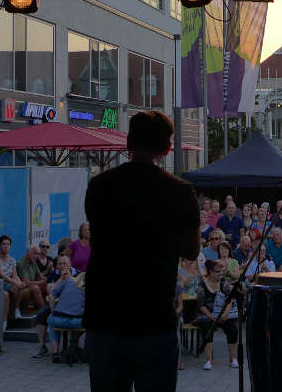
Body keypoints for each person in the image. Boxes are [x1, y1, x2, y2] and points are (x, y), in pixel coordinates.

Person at [83, 110, 200, 391]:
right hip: (154, 319)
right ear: (168, 147)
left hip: (104, 318)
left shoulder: (99, 185)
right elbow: (192, 251)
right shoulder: (181, 192)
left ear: (128, 144)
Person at [195, 260, 239, 370]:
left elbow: (230, 299)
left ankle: (233, 358)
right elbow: (200, 305)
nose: (220, 273)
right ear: (210, 272)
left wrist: (225, 314)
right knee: (206, 326)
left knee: (232, 328)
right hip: (208, 314)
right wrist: (212, 317)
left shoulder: (223, 281)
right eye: (217, 271)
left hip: (222, 313)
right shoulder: (202, 284)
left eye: (221, 271)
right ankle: (209, 360)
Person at [47, 271, 87, 364]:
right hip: (78, 322)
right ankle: (73, 345)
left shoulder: (68, 281)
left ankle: (55, 352)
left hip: (59, 319)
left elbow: (52, 295)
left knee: (50, 319)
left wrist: (53, 310)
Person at [0, 234, 27, 330]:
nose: (6, 246)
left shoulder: (12, 259)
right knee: (5, 295)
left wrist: (19, 283)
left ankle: (17, 310)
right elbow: (1, 275)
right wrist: (16, 283)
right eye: (4, 244)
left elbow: (15, 275)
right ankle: (4, 321)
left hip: (7, 284)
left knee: (18, 287)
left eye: (8, 244)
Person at [16, 245, 48, 315]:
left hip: (30, 288)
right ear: (28, 252)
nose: (37, 256)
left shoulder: (33, 262)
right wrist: (43, 281)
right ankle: (45, 313)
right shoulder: (21, 264)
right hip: (20, 291)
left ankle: (51, 308)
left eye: (38, 254)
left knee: (48, 285)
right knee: (35, 288)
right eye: (35, 253)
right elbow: (26, 283)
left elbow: (41, 277)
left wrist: (50, 280)